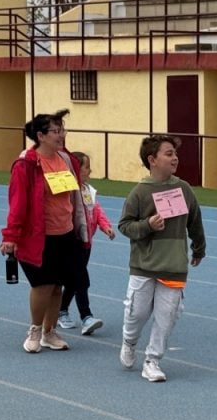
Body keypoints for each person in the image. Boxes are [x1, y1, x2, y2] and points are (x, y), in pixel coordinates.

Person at [0, 110, 89, 354]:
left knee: (58, 284)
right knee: (42, 285)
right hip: (39, 235)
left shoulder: (67, 160)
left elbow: (76, 197)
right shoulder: (26, 165)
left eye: (63, 130)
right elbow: (17, 202)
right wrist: (10, 236)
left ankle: (50, 332)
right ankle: (35, 329)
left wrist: (82, 227)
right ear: (41, 135)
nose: (61, 135)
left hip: (66, 233)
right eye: (56, 131)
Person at [118, 135, 206, 383]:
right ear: (152, 160)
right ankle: (129, 341)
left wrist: (199, 248)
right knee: (137, 312)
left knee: (167, 315)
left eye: (175, 153)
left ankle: (152, 360)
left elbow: (195, 221)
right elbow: (125, 226)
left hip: (173, 265)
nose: (174, 157)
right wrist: (148, 225)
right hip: (143, 265)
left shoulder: (183, 189)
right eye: (168, 153)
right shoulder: (139, 192)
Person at [57, 151, 115, 336]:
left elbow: (96, 210)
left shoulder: (87, 190)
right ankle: (86, 316)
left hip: (86, 243)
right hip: (71, 241)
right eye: (86, 166)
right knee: (80, 278)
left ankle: (61, 310)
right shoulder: (67, 190)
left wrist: (106, 227)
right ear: (75, 169)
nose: (90, 170)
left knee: (74, 281)